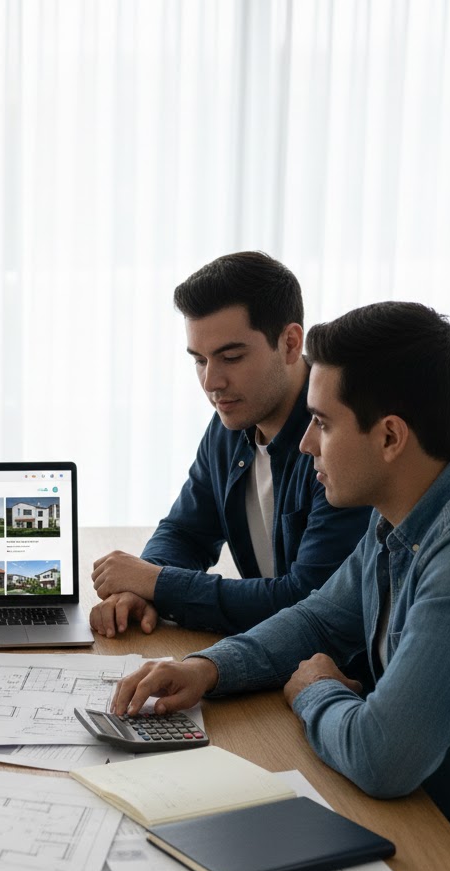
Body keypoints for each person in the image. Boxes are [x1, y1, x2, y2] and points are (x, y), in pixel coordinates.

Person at [112, 301, 450, 871]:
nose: (305, 444)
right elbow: (319, 615)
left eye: (323, 424)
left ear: (389, 436)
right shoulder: (408, 510)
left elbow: (383, 756)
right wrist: (208, 668)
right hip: (439, 829)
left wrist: (315, 690)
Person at [89, 251, 371, 640]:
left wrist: (157, 583)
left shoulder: (344, 437)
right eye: (199, 360)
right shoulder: (232, 421)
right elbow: (187, 532)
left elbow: (307, 602)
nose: (211, 382)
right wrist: (141, 587)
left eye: (231, 357)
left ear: (290, 343)